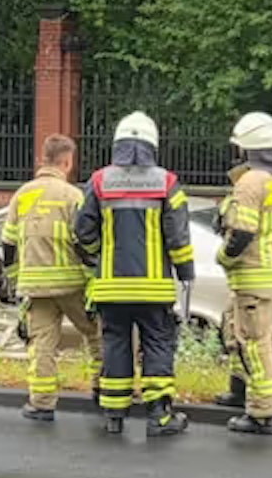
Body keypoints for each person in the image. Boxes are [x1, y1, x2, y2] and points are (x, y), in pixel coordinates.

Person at [74, 111, 194, 437]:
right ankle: (159, 417)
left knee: (116, 344)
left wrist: (101, 252)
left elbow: (81, 230)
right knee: (157, 344)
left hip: (111, 286)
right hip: (153, 288)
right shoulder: (167, 183)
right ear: (152, 145)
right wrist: (186, 271)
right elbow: (178, 237)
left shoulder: (99, 181)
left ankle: (114, 416)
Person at [214, 111, 272, 436]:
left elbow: (241, 233)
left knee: (254, 341)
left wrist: (223, 257)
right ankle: (239, 391)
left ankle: (262, 414)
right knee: (232, 327)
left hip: (251, 274)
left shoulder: (251, 182)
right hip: (270, 272)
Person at [1, 134, 101, 422]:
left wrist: (15, 279)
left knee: (43, 343)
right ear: (67, 162)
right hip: (72, 283)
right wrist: (92, 275)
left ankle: (42, 403)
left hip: (35, 286)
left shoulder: (22, 194)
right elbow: (84, 240)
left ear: (42, 158)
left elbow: (8, 244)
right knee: (96, 335)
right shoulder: (73, 196)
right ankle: (103, 390)